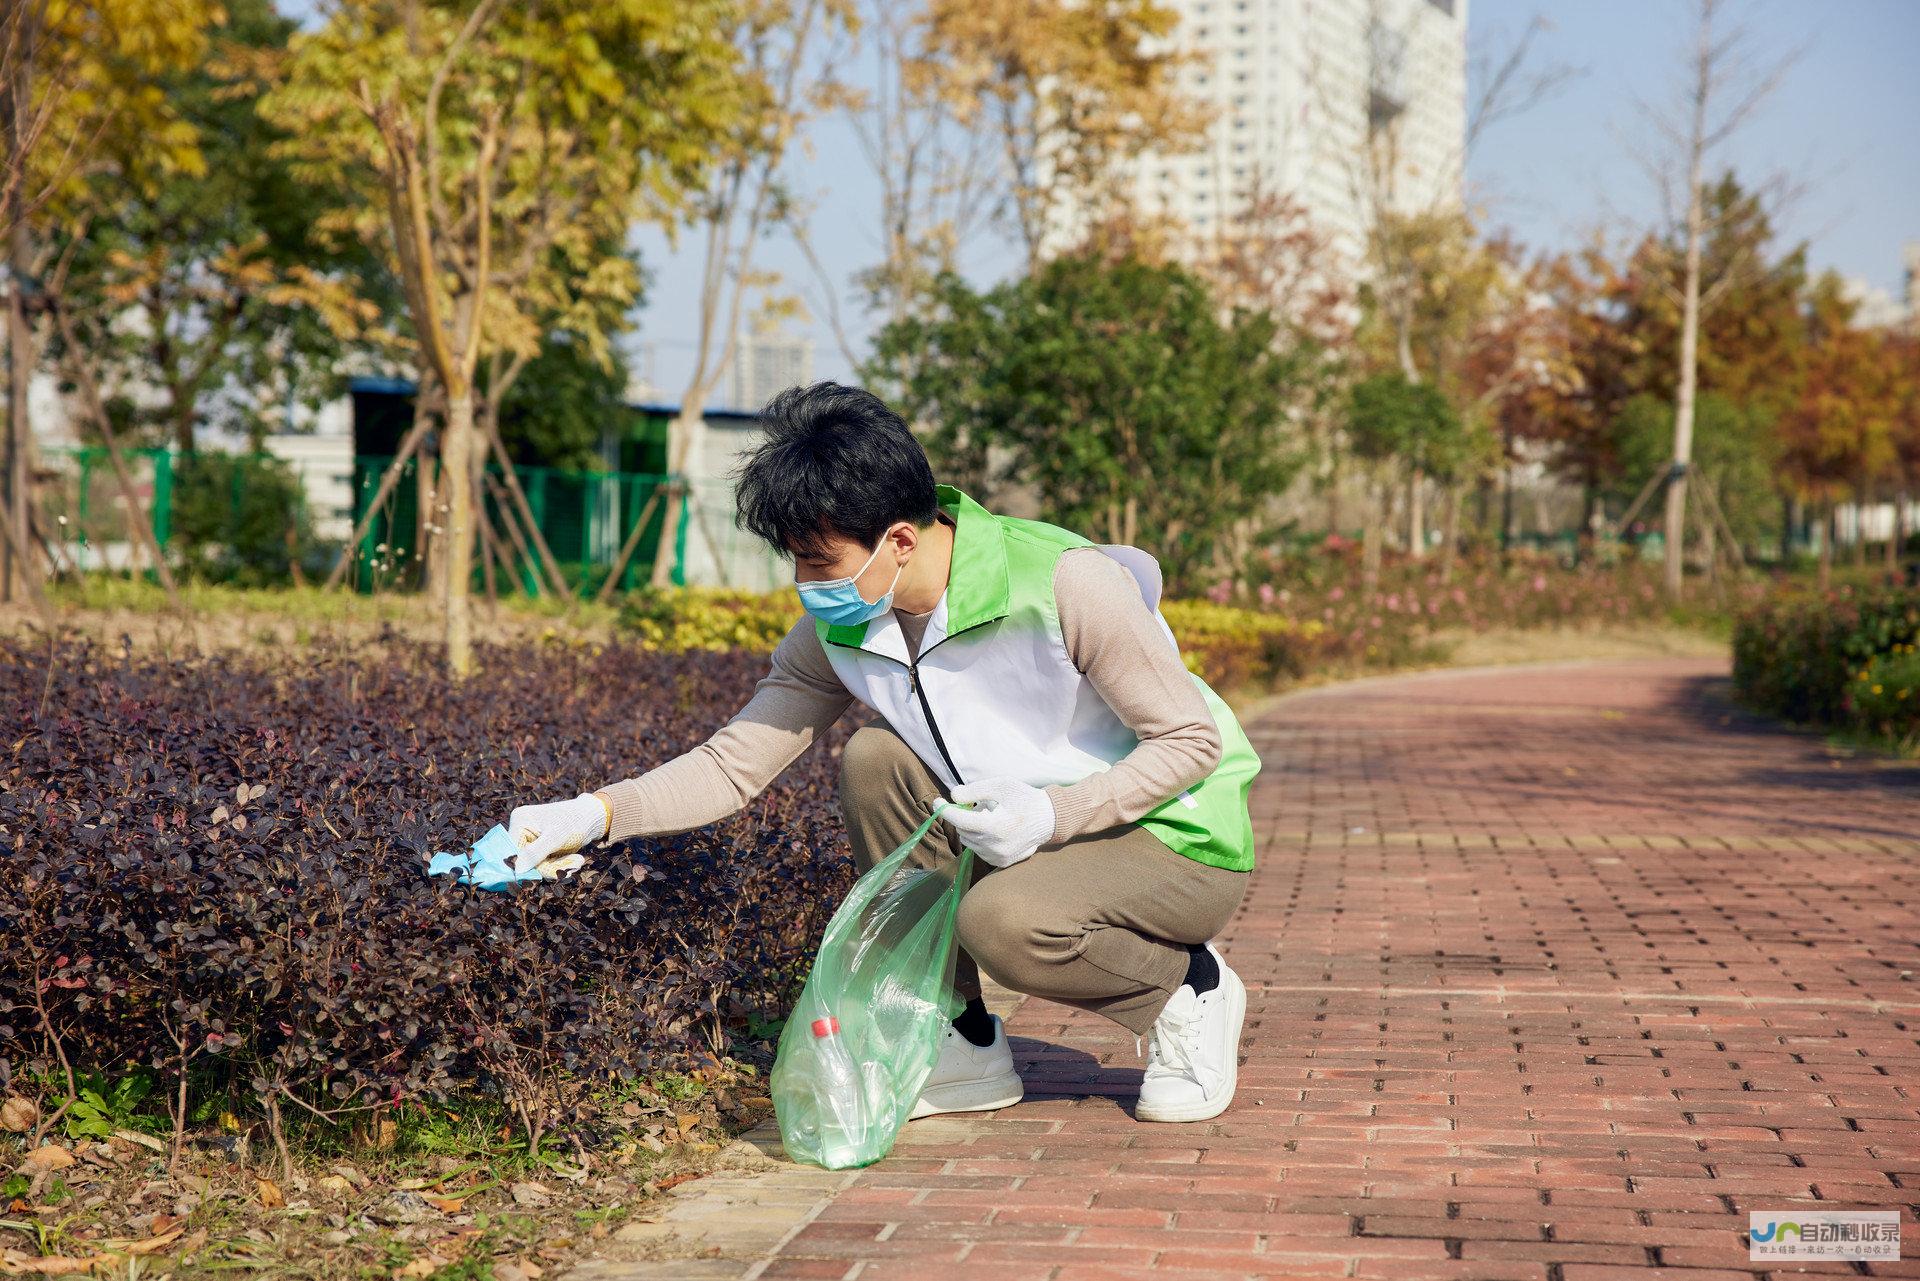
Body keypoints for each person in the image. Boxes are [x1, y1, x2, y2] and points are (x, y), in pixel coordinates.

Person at [505, 382, 1260, 1124]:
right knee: (874, 759)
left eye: (819, 560)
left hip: (1174, 837)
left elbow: (1191, 741)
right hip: (1025, 827)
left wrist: (1052, 812)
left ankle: (1188, 988)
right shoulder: (842, 626)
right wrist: (595, 814)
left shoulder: (1065, 582)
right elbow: (734, 762)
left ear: (900, 538)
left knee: (1001, 921)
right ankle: (962, 1038)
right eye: (794, 560)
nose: (805, 583)